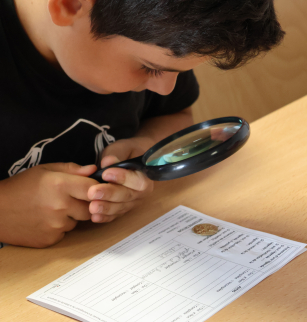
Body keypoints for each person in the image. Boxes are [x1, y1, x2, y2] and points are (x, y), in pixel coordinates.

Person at [0, 0, 284, 248]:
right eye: (150, 68)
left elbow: (174, 115)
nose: (165, 89)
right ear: (70, 5)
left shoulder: (164, 32)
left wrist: (149, 148)